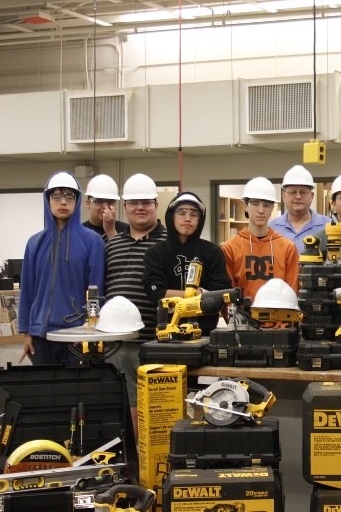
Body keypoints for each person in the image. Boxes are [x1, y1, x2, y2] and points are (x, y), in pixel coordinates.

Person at [18, 171, 105, 365]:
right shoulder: (34, 243)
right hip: (41, 336)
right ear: (47, 200)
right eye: (56, 197)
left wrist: (90, 328)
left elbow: (96, 290)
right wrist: (26, 332)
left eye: (69, 197)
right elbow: (27, 291)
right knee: (45, 392)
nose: (63, 202)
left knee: (77, 393)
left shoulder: (92, 241)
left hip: (77, 335)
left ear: (77, 200)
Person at [104, 173, 167, 432]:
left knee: (157, 412)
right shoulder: (111, 245)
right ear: (125, 207)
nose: (140, 207)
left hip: (155, 343)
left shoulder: (169, 244)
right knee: (121, 411)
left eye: (146, 202)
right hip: (115, 345)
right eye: (133, 203)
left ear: (156, 205)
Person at [143, 192, 232, 335]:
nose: (187, 218)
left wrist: (174, 299)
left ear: (200, 219)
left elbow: (219, 297)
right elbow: (156, 293)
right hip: (166, 334)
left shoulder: (213, 252)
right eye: (182, 213)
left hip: (205, 334)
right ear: (172, 216)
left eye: (193, 214)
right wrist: (199, 294)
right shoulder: (156, 253)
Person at [221, 177, 299, 302]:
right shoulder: (230, 249)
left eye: (266, 205)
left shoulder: (287, 248)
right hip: (242, 320)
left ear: (272, 208)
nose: (261, 210)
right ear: (245, 206)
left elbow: (292, 293)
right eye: (255, 204)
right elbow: (226, 296)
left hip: (280, 319)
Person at [269, 164, 331, 252]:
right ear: (284, 196)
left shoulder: (328, 226)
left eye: (303, 192)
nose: (298, 197)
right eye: (293, 192)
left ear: (312, 196)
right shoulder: (271, 228)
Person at [82, 174, 129, 241]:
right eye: (98, 201)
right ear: (88, 204)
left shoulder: (127, 231)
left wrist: (111, 231)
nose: (105, 207)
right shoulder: (79, 232)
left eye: (110, 201)